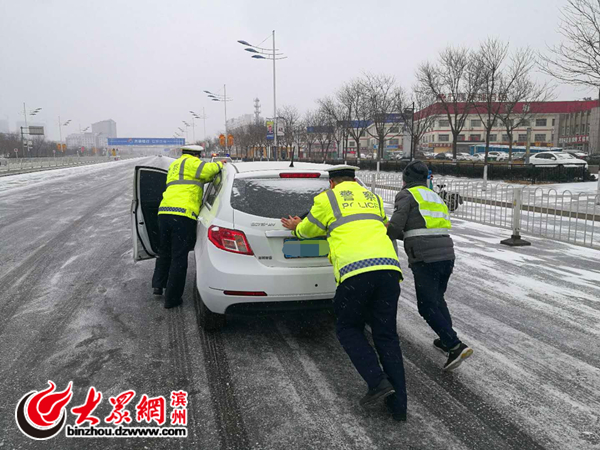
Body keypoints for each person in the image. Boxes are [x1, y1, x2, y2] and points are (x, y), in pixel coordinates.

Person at [281, 165, 408, 422]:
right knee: (386, 336)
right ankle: (399, 407)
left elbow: (307, 231)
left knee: (348, 327)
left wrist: (296, 226)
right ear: (353, 179)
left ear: (332, 183)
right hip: (388, 271)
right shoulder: (371, 198)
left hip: (356, 272)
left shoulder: (327, 199)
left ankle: (377, 381)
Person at [387, 160, 473, 371]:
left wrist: (384, 231)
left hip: (425, 256)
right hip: (446, 253)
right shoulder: (433, 195)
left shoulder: (407, 194)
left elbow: (396, 226)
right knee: (437, 298)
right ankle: (446, 339)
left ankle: (454, 345)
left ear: (405, 179)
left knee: (426, 305)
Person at [152, 145, 225, 309]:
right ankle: (172, 299)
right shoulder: (192, 163)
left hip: (164, 213)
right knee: (179, 256)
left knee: (165, 251)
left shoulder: (174, 166)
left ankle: (159, 284)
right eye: (199, 156)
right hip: (182, 215)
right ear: (196, 154)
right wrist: (222, 164)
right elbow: (209, 169)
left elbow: (196, 179)